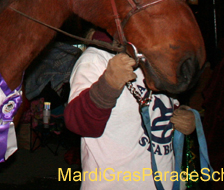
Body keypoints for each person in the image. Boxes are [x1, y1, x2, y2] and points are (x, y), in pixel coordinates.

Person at [65, 30, 196, 189]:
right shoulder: (95, 59)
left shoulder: (155, 56)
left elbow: (164, 105)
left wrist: (184, 116)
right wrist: (108, 86)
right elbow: (80, 123)